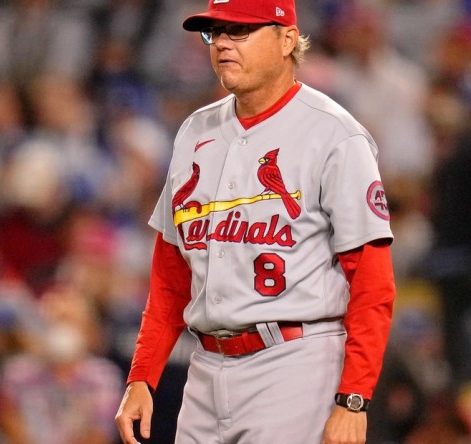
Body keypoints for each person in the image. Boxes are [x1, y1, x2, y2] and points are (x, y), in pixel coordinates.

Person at [114, 1, 397, 443]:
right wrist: (142, 376)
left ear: (287, 39)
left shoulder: (334, 135)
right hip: (205, 366)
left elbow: (373, 284)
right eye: (216, 32)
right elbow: (171, 275)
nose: (223, 43)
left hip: (295, 364)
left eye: (240, 31)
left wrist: (354, 397)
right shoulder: (195, 131)